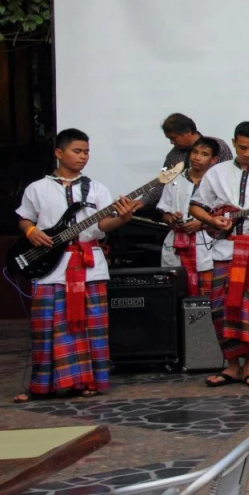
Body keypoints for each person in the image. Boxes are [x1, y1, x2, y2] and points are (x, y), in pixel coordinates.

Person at [13, 128, 142, 403]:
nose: (83, 157)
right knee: (48, 327)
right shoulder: (37, 188)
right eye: (77, 151)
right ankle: (46, 384)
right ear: (59, 153)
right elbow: (25, 218)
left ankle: (87, 381)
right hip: (50, 268)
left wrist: (123, 218)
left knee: (90, 325)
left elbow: (103, 224)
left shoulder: (96, 188)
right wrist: (30, 231)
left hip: (89, 265)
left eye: (86, 152)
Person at [190, 121, 249, 388]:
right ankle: (231, 365)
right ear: (234, 143)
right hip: (225, 250)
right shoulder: (216, 172)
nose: (247, 153)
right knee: (222, 308)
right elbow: (196, 206)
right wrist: (212, 220)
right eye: (243, 147)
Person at [156, 137, 218, 296]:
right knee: (175, 295)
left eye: (204, 154)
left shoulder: (217, 182)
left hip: (206, 242)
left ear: (214, 160)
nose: (197, 157)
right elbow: (164, 213)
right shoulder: (175, 180)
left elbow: (225, 213)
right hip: (177, 243)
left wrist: (202, 222)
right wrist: (171, 219)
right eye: (195, 152)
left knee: (207, 295)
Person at [160, 113, 233, 170]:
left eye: (174, 138)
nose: (172, 142)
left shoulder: (219, 146)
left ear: (188, 132)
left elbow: (229, 174)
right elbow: (164, 181)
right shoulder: (173, 156)